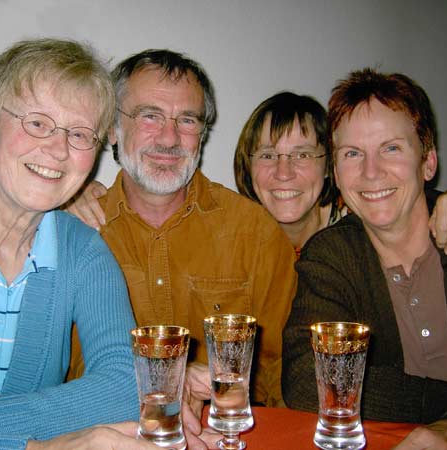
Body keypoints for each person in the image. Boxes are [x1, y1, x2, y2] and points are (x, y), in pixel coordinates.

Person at [0, 38, 155, 450]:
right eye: (38, 123)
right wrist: (32, 447)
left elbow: (127, 387)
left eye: (80, 133)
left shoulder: (83, 250)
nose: (58, 150)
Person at [282, 68, 447, 449]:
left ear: (428, 161)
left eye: (391, 148)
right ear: (336, 173)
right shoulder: (330, 256)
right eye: (352, 154)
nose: (371, 172)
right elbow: (308, 377)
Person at [66, 49, 297, 410]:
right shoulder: (75, 234)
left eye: (187, 120)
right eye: (150, 116)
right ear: (112, 128)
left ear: (202, 134)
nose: (170, 138)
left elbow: (281, 379)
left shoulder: (255, 234)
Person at [233, 91, 447, 253]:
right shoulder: (236, 240)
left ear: (330, 167)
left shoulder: (363, 214)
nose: (283, 173)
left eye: (303, 155)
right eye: (267, 155)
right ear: (248, 165)